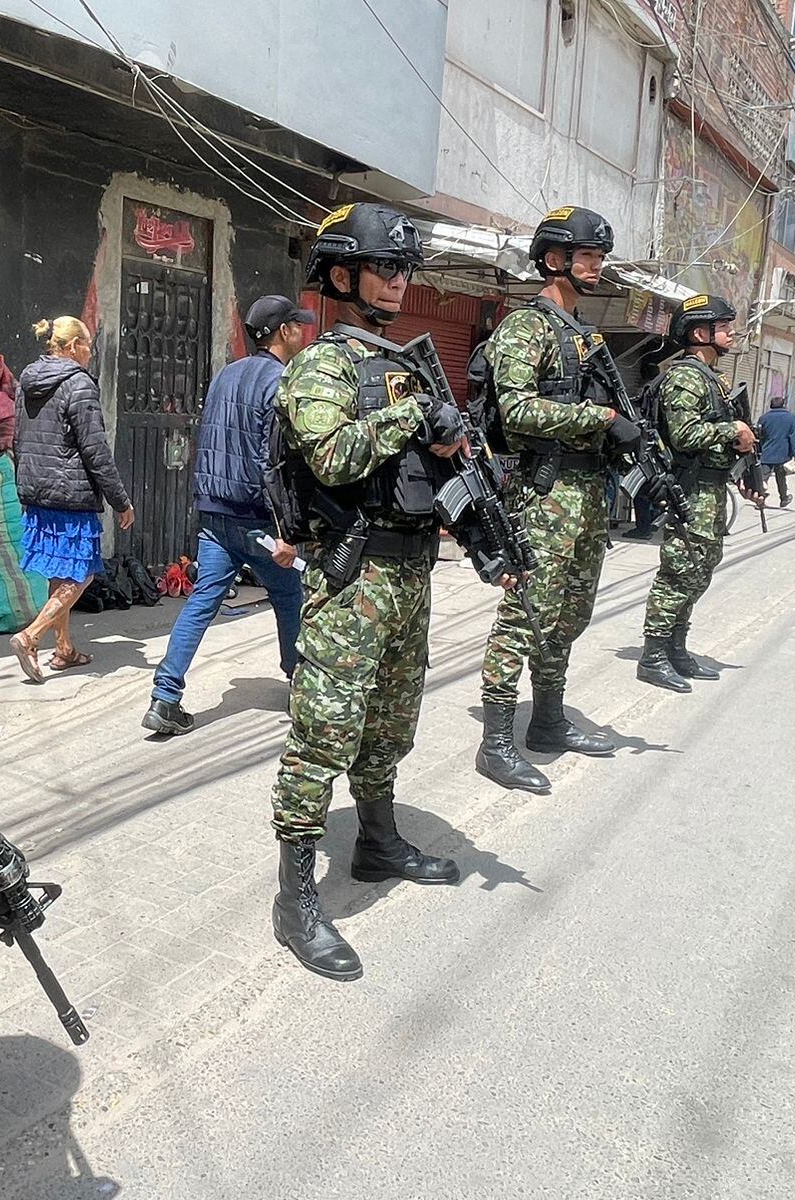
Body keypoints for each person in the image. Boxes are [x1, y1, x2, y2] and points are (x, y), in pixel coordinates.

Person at [267, 202, 465, 981]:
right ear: (343, 274)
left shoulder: (404, 365)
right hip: (354, 578)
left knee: (390, 721)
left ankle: (378, 842)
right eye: (385, 267)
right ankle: (295, 899)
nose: (398, 281)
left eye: (404, 269)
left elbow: (422, 465)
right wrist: (415, 416)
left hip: (411, 571)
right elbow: (332, 456)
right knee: (324, 734)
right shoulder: (323, 365)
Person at [474, 205, 636, 794]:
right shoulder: (527, 327)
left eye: (599, 257)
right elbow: (516, 409)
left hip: (587, 494)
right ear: (553, 260)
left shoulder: (581, 333)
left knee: (570, 613)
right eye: (586, 256)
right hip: (545, 493)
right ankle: (495, 742)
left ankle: (546, 720)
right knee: (526, 615)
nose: (596, 266)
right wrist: (601, 419)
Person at [141, 295, 311, 735]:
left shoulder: (227, 374)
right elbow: (278, 460)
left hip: (214, 513)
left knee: (201, 603)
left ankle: (164, 697)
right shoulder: (282, 381)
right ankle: (299, 680)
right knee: (289, 596)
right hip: (258, 518)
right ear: (284, 331)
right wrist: (290, 529)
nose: (304, 332)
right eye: (298, 325)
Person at [636, 294, 763, 693]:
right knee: (679, 572)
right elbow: (684, 434)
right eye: (723, 327)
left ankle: (676, 647)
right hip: (691, 491)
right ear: (698, 333)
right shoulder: (687, 377)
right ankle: (653, 656)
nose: (731, 333)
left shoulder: (711, 378)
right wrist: (733, 430)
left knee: (699, 571)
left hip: (711, 489)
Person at [9, 316, 135, 682]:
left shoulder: (27, 381)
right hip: (70, 493)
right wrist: (120, 500)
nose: (91, 352)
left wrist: (26, 482)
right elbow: (95, 450)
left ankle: (63, 649)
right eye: (88, 345)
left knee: (59, 572)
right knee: (81, 572)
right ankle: (31, 637)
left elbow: (18, 438)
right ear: (73, 346)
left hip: (37, 491)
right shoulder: (79, 384)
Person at [757, 394, 795, 507]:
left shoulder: (764, 418)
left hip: (766, 452)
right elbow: (793, 437)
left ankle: (760, 499)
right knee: (781, 477)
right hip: (783, 453)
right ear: (783, 405)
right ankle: (783, 498)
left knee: (763, 478)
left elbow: (759, 435)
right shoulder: (791, 418)